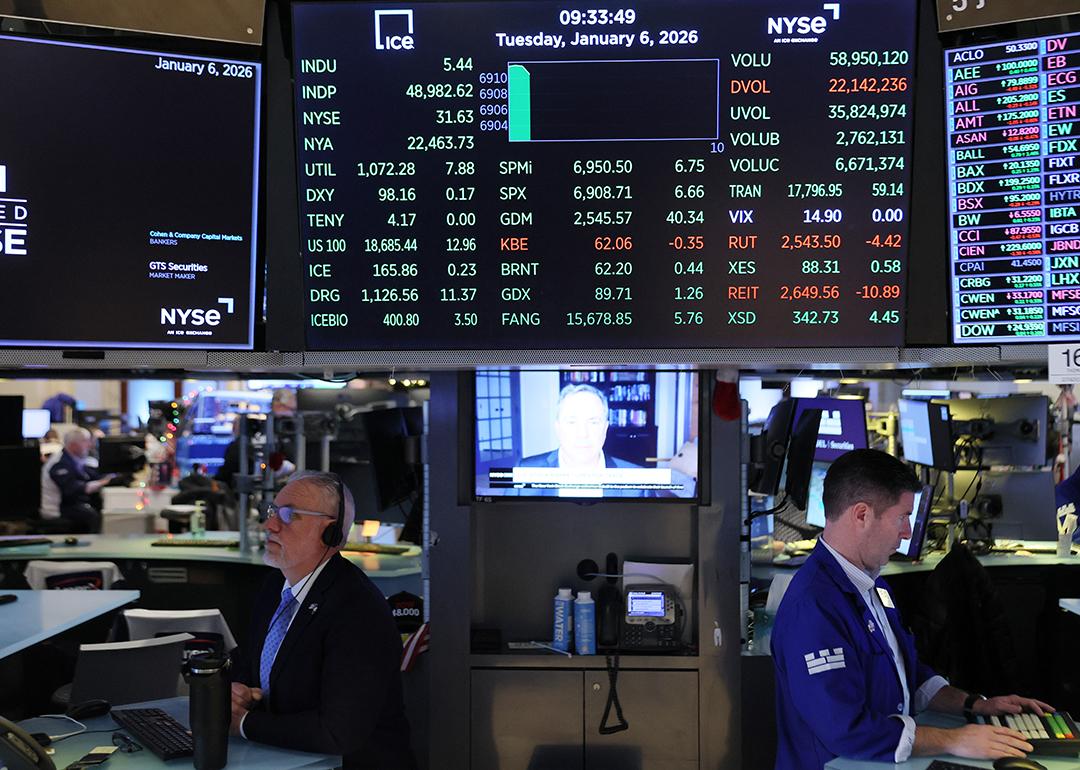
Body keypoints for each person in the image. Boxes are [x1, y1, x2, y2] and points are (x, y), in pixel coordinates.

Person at [771, 448, 1052, 769]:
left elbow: (907, 672)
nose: (907, 533)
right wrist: (956, 739)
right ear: (861, 515)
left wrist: (974, 705)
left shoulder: (873, 584)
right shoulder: (813, 607)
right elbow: (846, 730)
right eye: (902, 517)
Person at [229, 472, 415, 769]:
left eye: (288, 515)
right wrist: (235, 691)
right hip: (284, 757)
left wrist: (245, 723)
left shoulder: (357, 609)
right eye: (272, 511)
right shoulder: (273, 588)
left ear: (330, 533)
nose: (270, 525)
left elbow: (338, 732)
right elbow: (250, 668)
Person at [44, 428, 115, 533]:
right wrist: (102, 483)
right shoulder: (59, 463)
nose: (90, 445)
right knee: (91, 515)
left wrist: (109, 476)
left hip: (67, 503)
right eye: (85, 441)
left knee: (98, 505)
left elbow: (89, 475)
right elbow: (71, 489)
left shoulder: (73, 458)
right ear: (73, 445)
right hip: (57, 509)